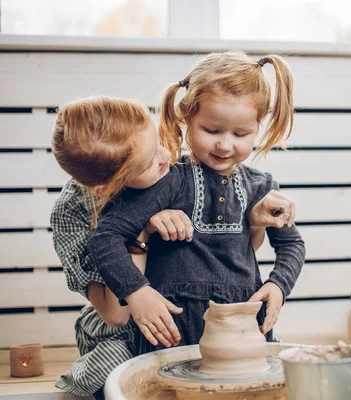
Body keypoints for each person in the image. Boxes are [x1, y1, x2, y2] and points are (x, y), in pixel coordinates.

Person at [50, 96, 295, 398]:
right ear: (109, 186)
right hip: (130, 323)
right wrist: (142, 232)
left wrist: (255, 223)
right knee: (123, 379)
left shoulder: (165, 168)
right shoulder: (73, 212)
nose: (166, 154)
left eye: (158, 142)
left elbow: (233, 254)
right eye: (150, 158)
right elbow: (116, 314)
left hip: (193, 315)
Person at [88, 51, 305, 354]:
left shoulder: (262, 187)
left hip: (243, 328)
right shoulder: (168, 179)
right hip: (171, 330)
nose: (225, 144)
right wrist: (136, 292)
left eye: (241, 133)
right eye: (211, 130)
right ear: (186, 117)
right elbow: (106, 237)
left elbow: (292, 244)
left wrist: (279, 285)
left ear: (258, 126)